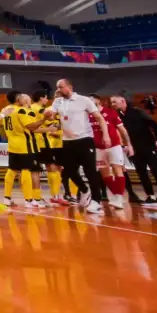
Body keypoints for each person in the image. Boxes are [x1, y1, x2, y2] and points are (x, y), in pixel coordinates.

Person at [44, 79, 109, 215]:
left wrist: (106, 135)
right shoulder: (57, 101)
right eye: (57, 87)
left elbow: (99, 118)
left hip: (84, 139)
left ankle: (97, 202)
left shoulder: (84, 100)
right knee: (68, 170)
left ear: (69, 87)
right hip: (67, 141)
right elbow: (52, 117)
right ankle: (85, 190)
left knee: (90, 171)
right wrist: (48, 114)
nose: (58, 90)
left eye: (60, 87)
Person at [110, 94, 157, 210]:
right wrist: (125, 145)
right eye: (112, 102)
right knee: (141, 173)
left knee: (156, 171)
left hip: (148, 146)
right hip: (134, 149)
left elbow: (154, 124)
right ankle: (151, 196)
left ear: (122, 101)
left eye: (115, 102)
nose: (113, 105)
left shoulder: (137, 112)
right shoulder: (119, 116)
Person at [1, 92, 43, 208]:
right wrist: (43, 120)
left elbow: (0, 126)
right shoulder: (21, 110)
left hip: (12, 144)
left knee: (12, 170)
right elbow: (31, 126)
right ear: (18, 99)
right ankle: (29, 200)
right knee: (26, 170)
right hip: (24, 144)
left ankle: (6, 198)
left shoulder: (5, 109)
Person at [90, 94, 132, 210]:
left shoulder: (110, 112)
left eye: (92, 99)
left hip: (114, 146)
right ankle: (118, 195)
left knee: (117, 170)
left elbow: (122, 130)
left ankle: (118, 198)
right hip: (98, 148)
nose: (90, 101)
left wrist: (129, 145)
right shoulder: (87, 115)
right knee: (105, 175)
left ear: (98, 100)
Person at [32, 89, 68, 206]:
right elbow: (51, 119)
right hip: (44, 143)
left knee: (33, 171)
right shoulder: (42, 109)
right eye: (46, 98)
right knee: (52, 168)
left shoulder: (29, 108)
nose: (47, 100)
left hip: (31, 144)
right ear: (41, 98)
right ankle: (56, 196)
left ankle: (34, 198)